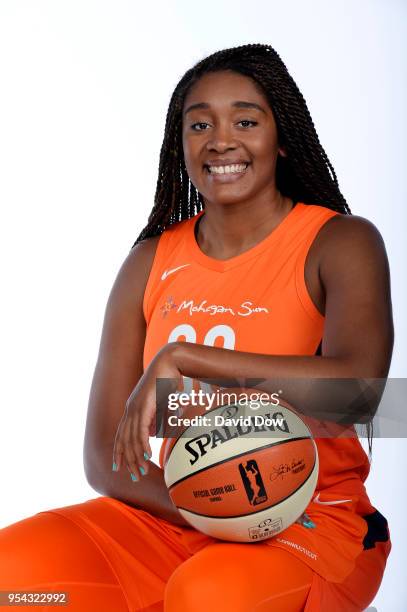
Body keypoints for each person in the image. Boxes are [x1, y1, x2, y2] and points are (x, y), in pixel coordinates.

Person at [0, 43, 393, 611]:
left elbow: (360, 392)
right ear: (179, 143)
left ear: (281, 139)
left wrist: (191, 357)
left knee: (205, 596)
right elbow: (104, 453)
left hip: (309, 522)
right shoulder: (149, 261)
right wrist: (210, 503)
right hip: (180, 513)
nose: (221, 140)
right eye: (199, 123)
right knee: (13, 576)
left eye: (246, 120)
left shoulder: (340, 241)